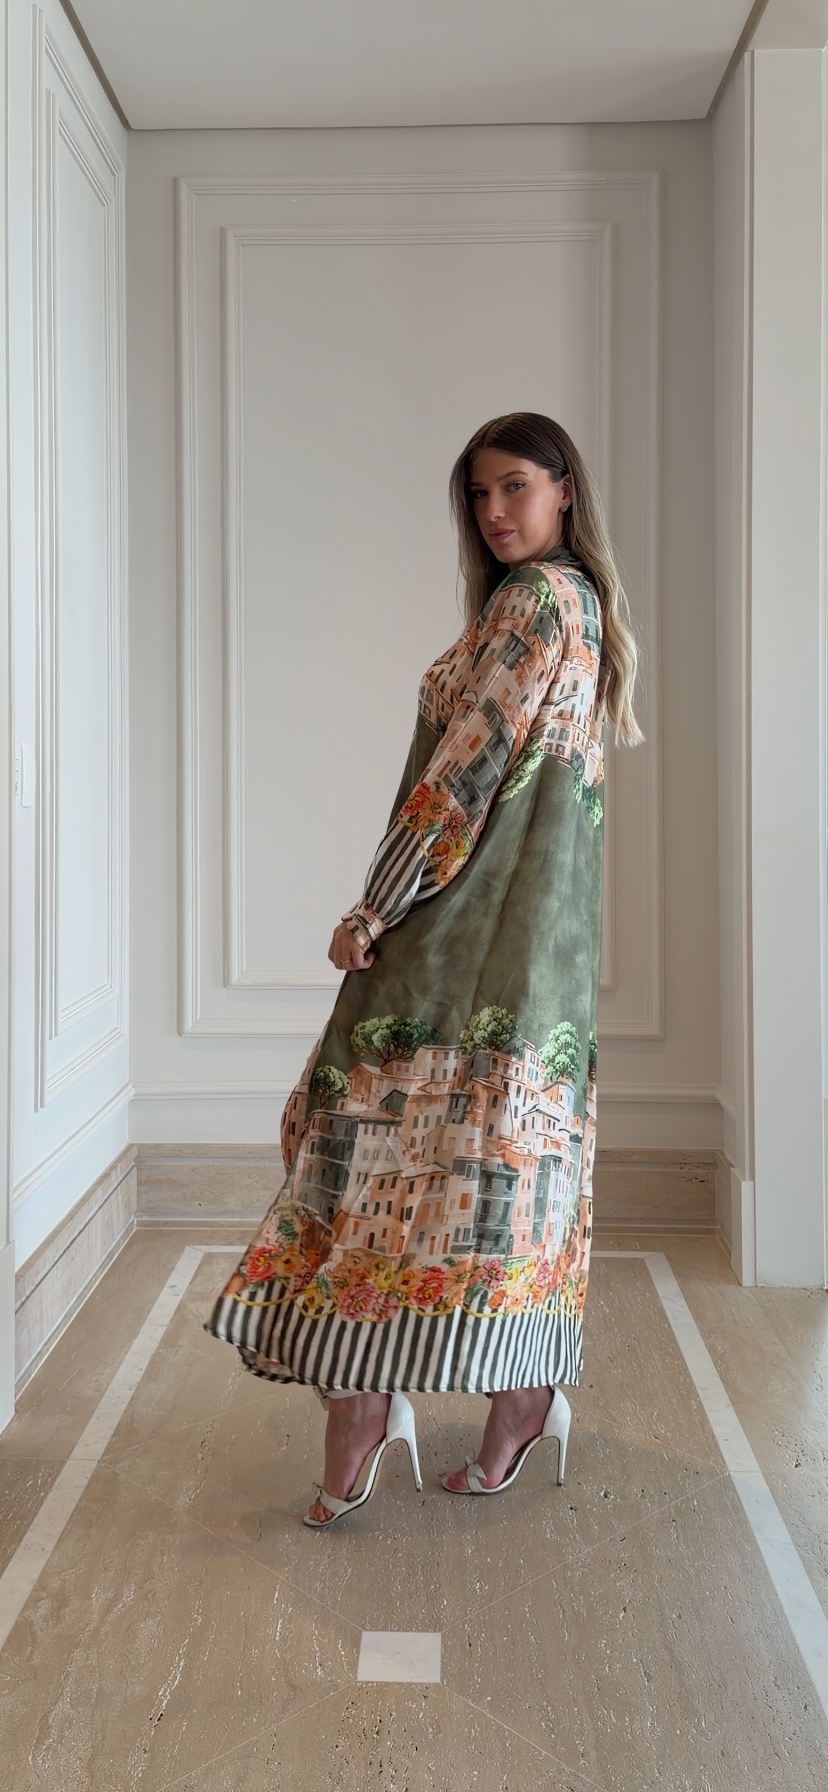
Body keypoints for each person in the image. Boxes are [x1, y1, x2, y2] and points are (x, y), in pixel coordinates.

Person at [206, 411, 642, 1528]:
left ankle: (369, 1401)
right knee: (489, 1163)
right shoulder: (571, 606)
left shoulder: (537, 601)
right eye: (479, 495)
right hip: (531, 950)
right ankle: (502, 1393)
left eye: (514, 487)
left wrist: (375, 906)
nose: (494, 512)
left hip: (462, 934)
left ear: (564, 490)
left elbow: (462, 776)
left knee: (365, 1139)